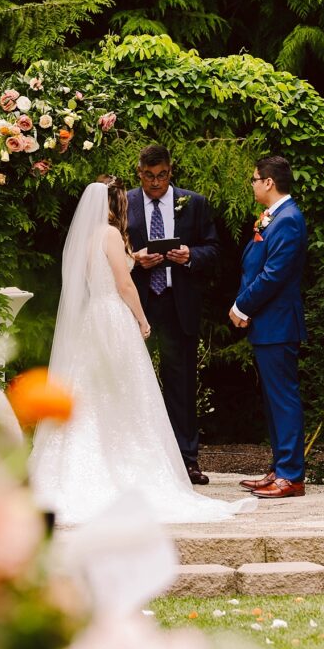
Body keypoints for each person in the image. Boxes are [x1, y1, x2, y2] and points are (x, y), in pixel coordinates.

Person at [28, 179, 254, 525]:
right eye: (121, 202)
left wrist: (132, 258)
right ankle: (123, 464)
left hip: (93, 320)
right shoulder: (109, 234)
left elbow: (109, 270)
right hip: (113, 316)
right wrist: (142, 318)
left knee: (91, 389)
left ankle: (78, 464)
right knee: (124, 392)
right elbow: (123, 284)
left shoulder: (88, 238)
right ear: (112, 204)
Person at [127, 145, 220, 485]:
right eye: (149, 176)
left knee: (181, 385)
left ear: (171, 171)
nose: (155, 183)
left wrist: (189, 255)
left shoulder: (192, 203)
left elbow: (214, 248)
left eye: (162, 175)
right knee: (132, 382)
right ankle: (135, 460)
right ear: (139, 172)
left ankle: (187, 460)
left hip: (177, 303)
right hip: (137, 304)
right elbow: (110, 247)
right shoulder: (125, 201)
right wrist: (135, 260)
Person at [230, 157, 309, 499]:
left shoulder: (288, 219)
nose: (251, 184)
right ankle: (280, 467)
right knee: (274, 400)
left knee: (284, 399)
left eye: (254, 178)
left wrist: (242, 305)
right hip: (268, 323)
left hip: (278, 322)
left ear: (269, 182)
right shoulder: (274, 217)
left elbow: (274, 274)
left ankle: (291, 475)